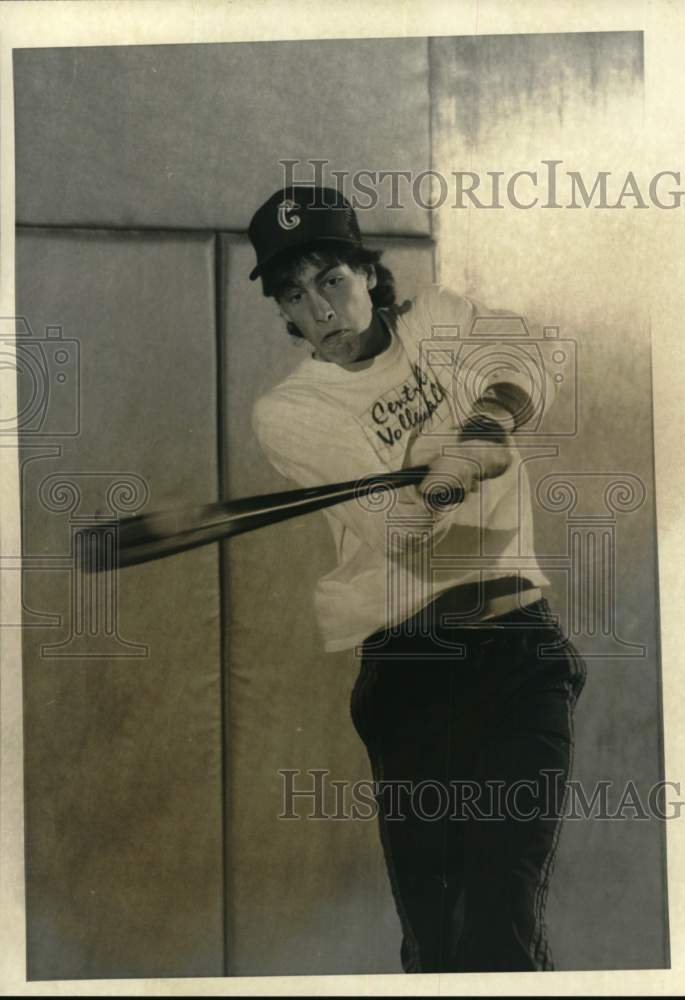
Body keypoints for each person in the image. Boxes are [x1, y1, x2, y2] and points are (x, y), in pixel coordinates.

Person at [248, 185, 586, 973]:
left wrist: (487, 421)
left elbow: (526, 356)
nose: (320, 310)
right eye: (294, 296)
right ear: (286, 314)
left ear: (369, 274)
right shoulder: (290, 410)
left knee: (498, 925)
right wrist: (446, 469)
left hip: (516, 657)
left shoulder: (437, 320)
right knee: (435, 943)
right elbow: (398, 534)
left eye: (331, 279)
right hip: (408, 674)